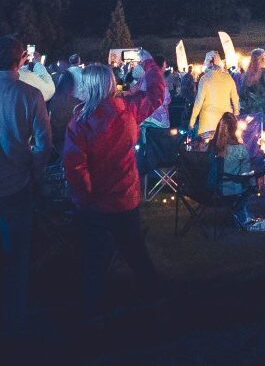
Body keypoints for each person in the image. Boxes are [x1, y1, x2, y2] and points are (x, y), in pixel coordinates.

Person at [63, 48, 164, 312]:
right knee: (134, 250)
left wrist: (84, 197)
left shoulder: (80, 122)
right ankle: (153, 295)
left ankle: (94, 308)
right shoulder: (128, 109)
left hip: (96, 201)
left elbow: (75, 166)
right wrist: (149, 63)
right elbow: (157, 94)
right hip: (126, 196)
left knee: (96, 257)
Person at [0, 35, 51, 327]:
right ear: (21, 60)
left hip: (17, 183)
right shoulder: (29, 95)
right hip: (17, 184)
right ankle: (15, 318)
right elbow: (44, 144)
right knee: (18, 256)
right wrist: (37, 172)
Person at [210, 112, 254, 226]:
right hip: (231, 192)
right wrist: (254, 183)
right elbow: (245, 174)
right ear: (235, 129)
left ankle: (237, 213)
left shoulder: (210, 147)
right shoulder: (240, 149)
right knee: (252, 185)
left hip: (209, 191)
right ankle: (238, 211)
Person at [189, 51, 240, 137]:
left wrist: (192, 122)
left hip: (208, 124)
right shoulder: (228, 77)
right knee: (223, 147)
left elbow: (199, 101)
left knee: (208, 147)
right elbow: (235, 98)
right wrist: (236, 113)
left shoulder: (204, 79)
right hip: (225, 122)